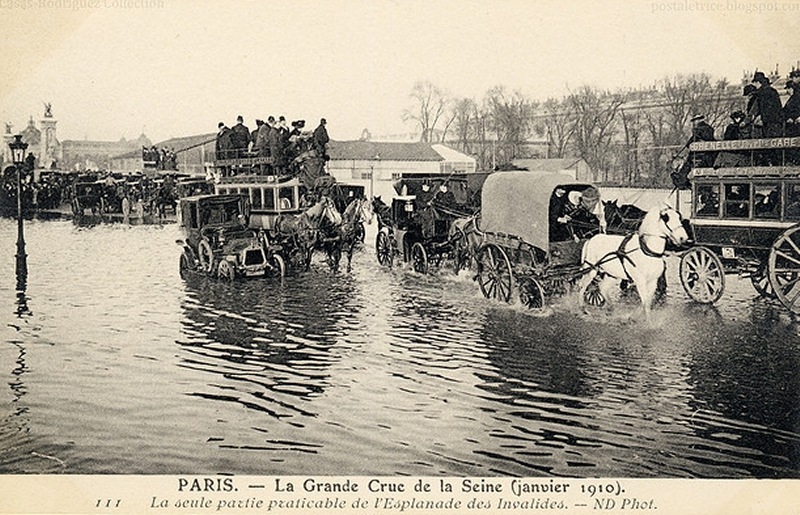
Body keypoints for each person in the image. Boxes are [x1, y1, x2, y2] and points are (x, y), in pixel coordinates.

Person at [751, 71, 784, 138]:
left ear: (758, 82)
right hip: (777, 122)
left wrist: (761, 117)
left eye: (755, 83)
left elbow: (767, 108)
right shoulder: (772, 91)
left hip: (770, 123)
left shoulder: (762, 93)